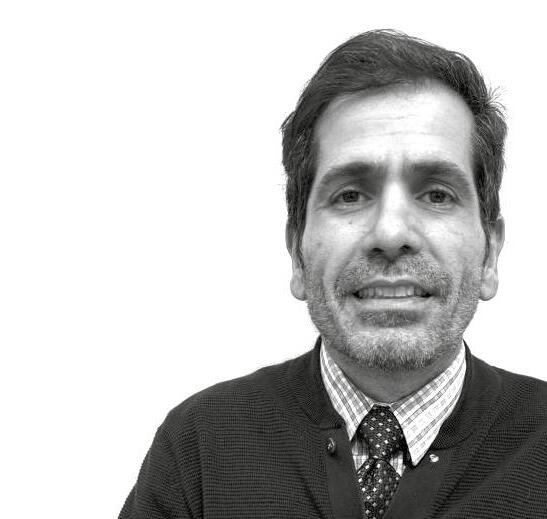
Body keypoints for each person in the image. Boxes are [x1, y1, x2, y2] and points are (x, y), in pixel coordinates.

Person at [119, 30, 547, 519]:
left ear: (490, 253)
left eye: (436, 194)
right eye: (350, 195)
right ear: (297, 255)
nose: (391, 232)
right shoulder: (199, 446)